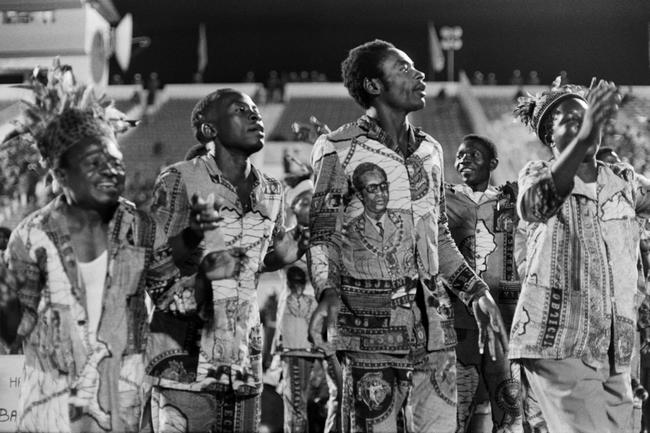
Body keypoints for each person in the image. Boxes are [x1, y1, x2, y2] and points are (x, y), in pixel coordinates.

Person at [308, 39, 507, 433]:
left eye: (416, 67)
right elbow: (322, 234)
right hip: (368, 331)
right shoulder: (338, 149)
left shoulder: (431, 151)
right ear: (374, 85)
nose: (418, 75)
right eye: (403, 68)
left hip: (436, 329)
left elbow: (440, 238)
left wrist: (476, 291)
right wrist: (326, 291)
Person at [0, 104, 199, 432]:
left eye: (115, 162)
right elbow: (17, 331)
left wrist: (207, 278)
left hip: (119, 401)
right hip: (52, 404)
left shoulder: (143, 228)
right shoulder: (30, 236)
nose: (111, 172)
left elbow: (174, 301)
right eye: (95, 163)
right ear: (62, 174)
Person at [147, 88, 306, 432]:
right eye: (240, 110)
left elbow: (267, 256)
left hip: (243, 365)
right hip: (185, 365)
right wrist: (195, 238)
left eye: (256, 110)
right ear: (209, 130)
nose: (256, 116)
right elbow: (156, 269)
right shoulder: (179, 179)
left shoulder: (273, 190)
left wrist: (301, 238)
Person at [511, 77, 644, 433]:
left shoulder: (624, 180)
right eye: (571, 120)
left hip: (616, 350)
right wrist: (585, 138)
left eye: (590, 118)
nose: (586, 127)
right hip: (560, 343)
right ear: (549, 139)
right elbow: (534, 206)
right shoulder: (537, 173)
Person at [444, 134, 524, 432]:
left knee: (509, 407)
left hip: (504, 321)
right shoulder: (445, 198)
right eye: (461, 155)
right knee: (454, 410)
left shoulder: (512, 199)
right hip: (459, 322)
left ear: (493, 164)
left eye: (474, 155)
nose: (464, 159)